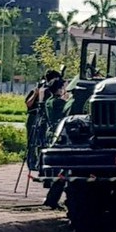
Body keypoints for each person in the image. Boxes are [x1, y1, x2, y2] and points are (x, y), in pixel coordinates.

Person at [42, 78, 69, 210]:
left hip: (50, 132)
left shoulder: (49, 101)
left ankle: (51, 198)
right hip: (59, 134)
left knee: (56, 169)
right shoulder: (60, 102)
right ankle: (52, 199)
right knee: (62, 170)